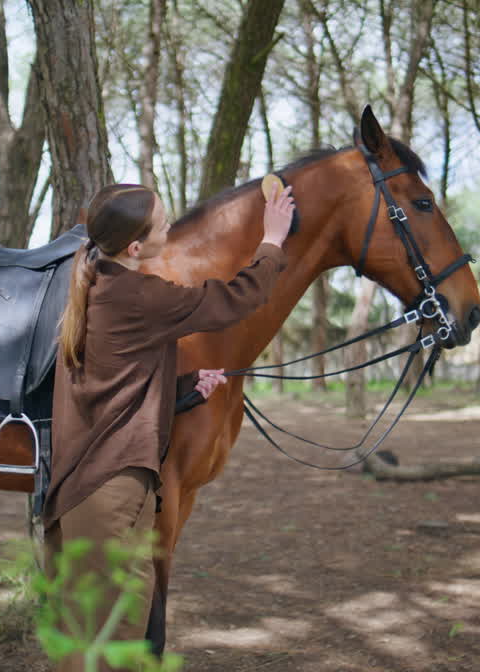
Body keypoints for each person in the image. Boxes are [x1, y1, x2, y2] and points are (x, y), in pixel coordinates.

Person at [43, 181, 295, 671]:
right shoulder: (138, 294)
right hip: (108, 497)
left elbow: (113, 383)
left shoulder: (103, 282)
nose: (170, 225)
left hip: (91, 492)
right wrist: (273, 239)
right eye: (162, 222)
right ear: (136, 247)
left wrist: (181, 388)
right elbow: (234, 300)